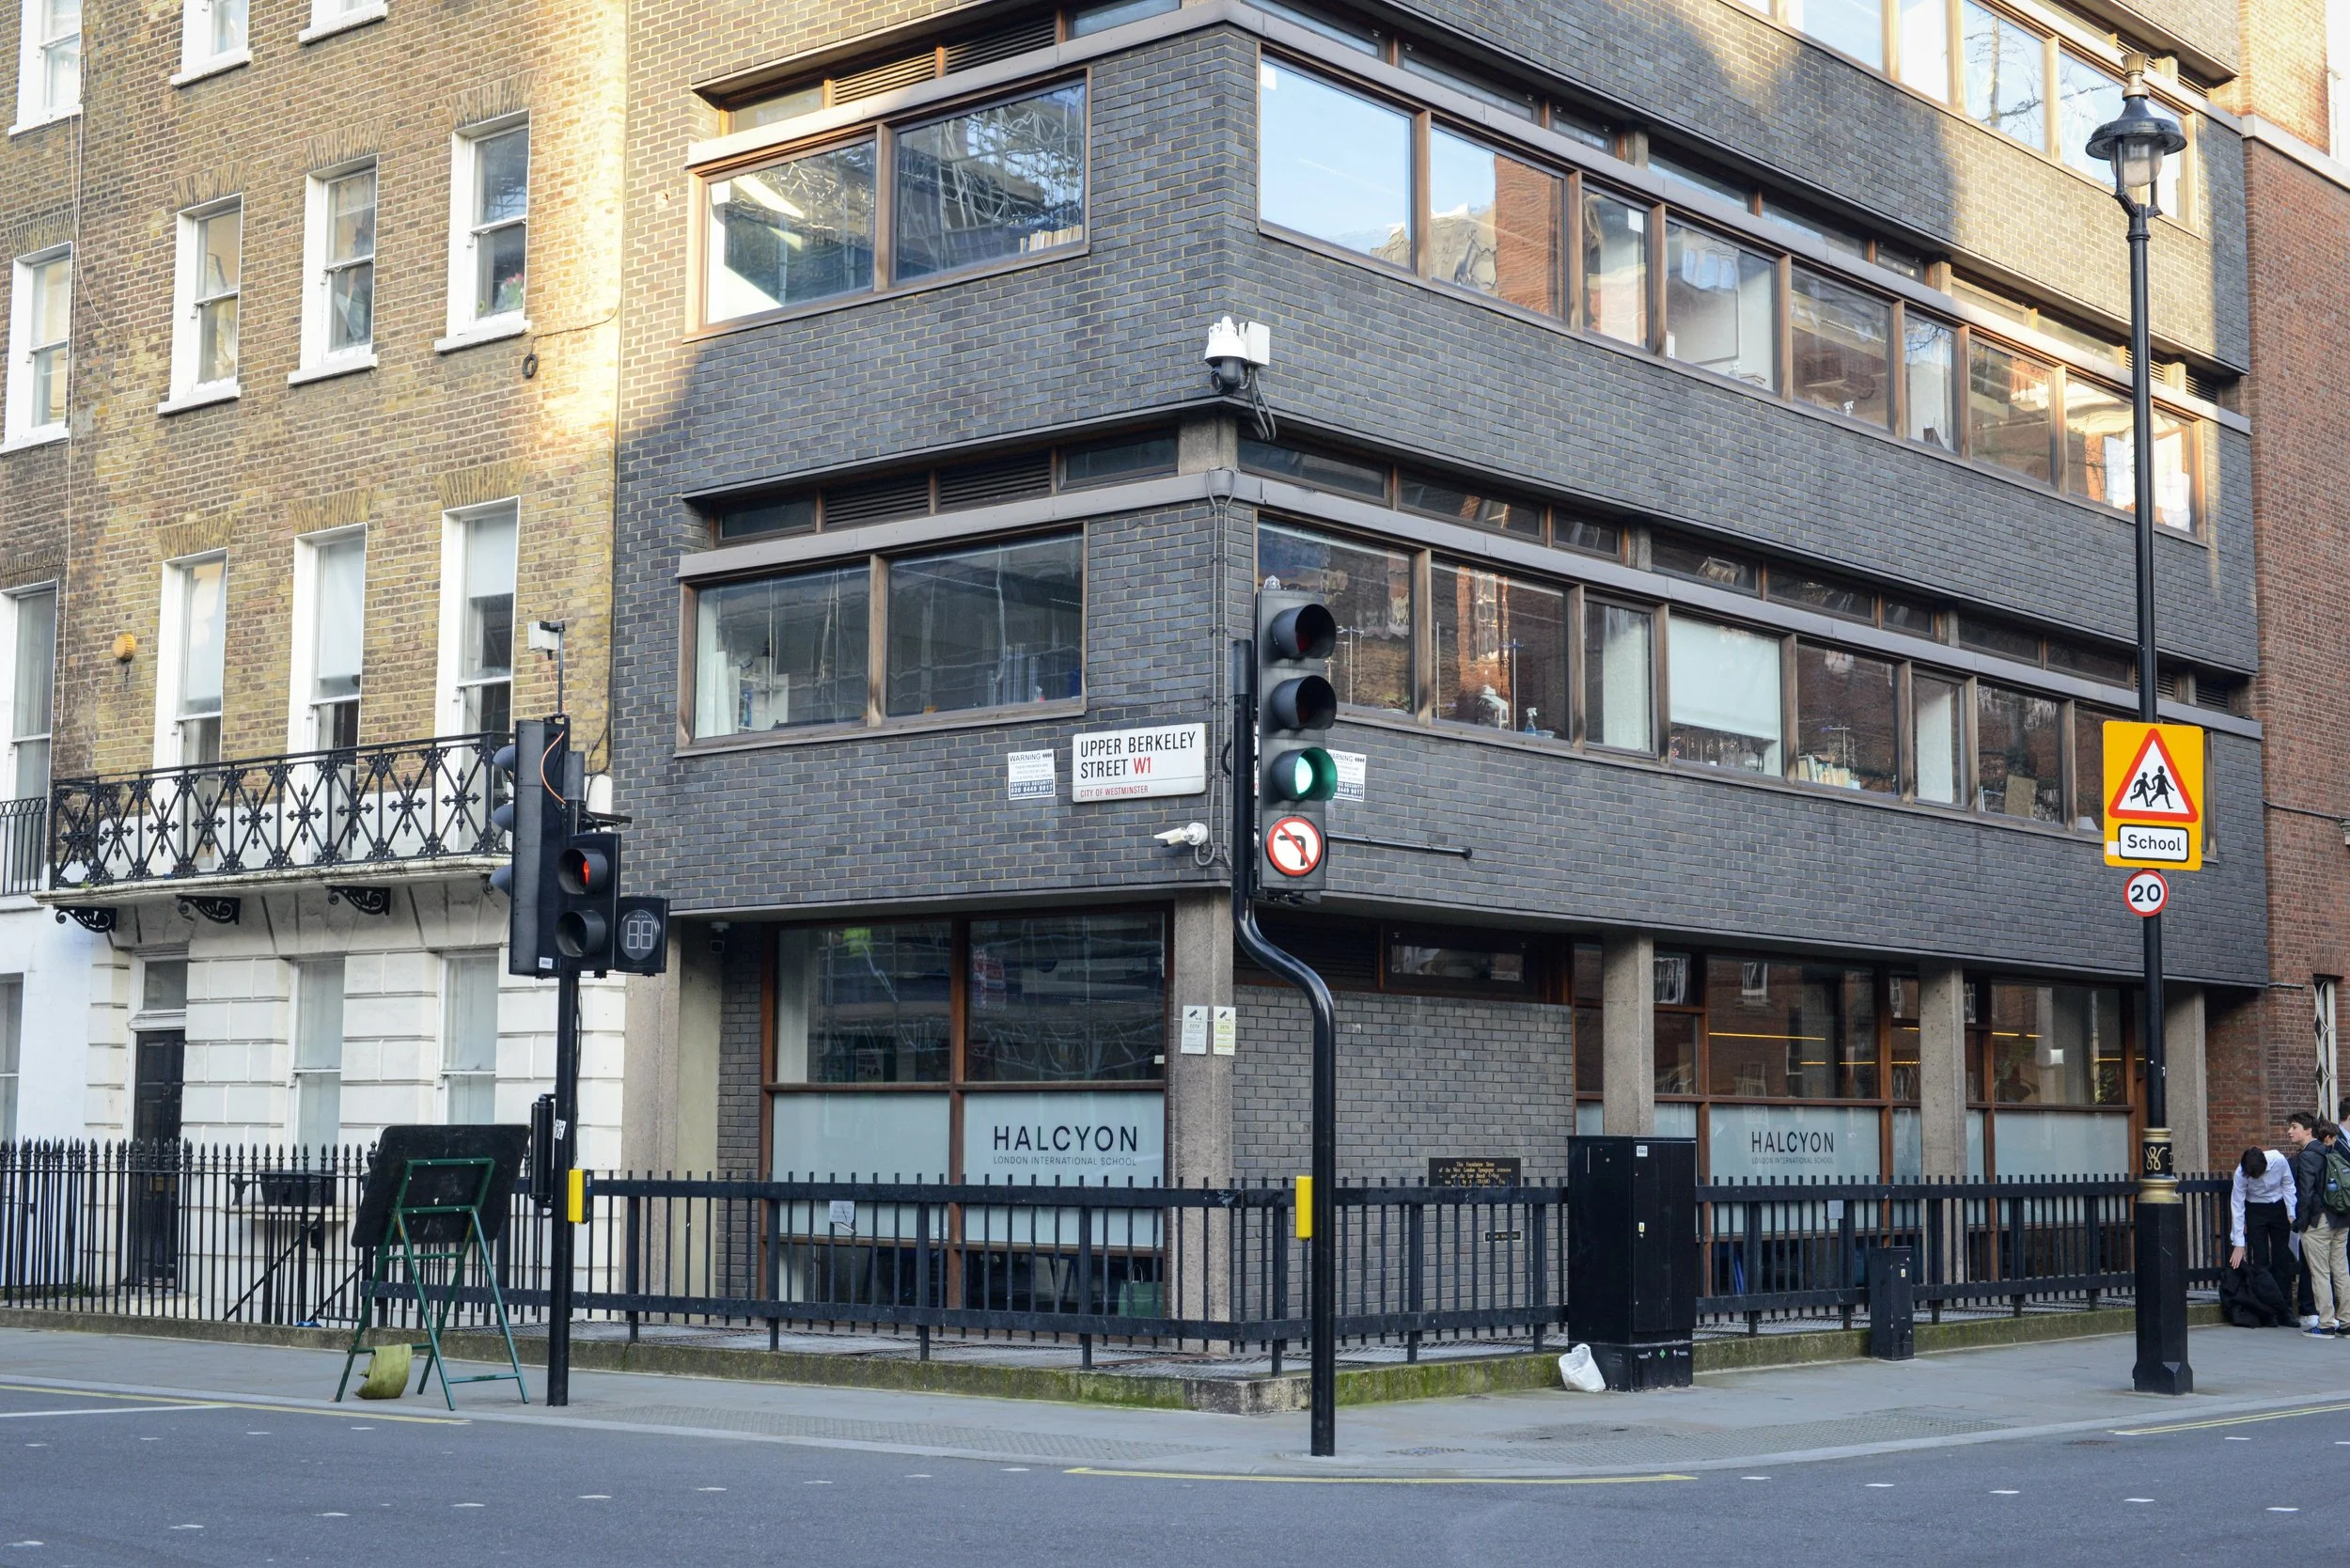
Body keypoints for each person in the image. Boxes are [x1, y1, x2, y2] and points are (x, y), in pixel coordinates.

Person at [2286, 1112, 2350, 1336]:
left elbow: (2306, 1194)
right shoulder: (2328, 1150)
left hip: (2319, 1221)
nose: (2290, 1131)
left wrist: (2300, 1224)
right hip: (2340, 1218)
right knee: (2341, 1271)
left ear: (2308, 1131)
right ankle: (2346, 1322)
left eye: (2294, 1127)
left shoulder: (2307, 1156)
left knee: (2320, 1272)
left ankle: (2325, 1324)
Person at [2231, 1145, 2297, 1316]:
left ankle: (2285, 1309)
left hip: (2278, 1207)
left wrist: (2291, 1212)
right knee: (2260, 1260)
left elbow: (2288, 1184)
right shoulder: (2240, 1173)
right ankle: (2265, 1308)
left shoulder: (2279, 1161)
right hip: (2255, 1210)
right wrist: (2239, 1243)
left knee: (2281, 1258)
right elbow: (2237, 1205)